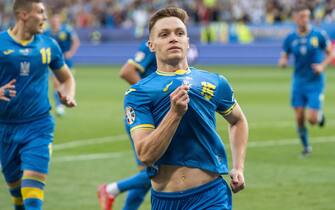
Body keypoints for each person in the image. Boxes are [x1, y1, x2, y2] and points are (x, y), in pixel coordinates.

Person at [124, 7, 248, 209]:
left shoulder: (214, 82)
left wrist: (238, 167)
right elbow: (146, 155)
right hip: (165, 201)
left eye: (180, 33)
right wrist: (174, 114)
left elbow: (238, 121)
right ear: (151, 45)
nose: (174, 38)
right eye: (164, 34)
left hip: (211, 196)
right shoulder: (138, 93)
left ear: (188, 41)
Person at [0, 1, 76, 210]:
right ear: (23, 14)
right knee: (17, 196)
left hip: (39, 126)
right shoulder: (1, 44)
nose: (44, 17)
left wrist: (68, 95)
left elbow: (67, 79)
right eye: (40, 12)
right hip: (4, 128)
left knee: (32, 196)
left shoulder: (48, 45)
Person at [278, 4, 334, 156]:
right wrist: (282, 62)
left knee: (312, 120)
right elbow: (284, 56)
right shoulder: (290, 38)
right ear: (295, 18)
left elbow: (331, 53)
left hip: (315, 82)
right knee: (299, 117)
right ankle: (306, 147)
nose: (305, 19)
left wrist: (322, 66)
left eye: (307, 16)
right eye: (302, 16)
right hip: (299, 82)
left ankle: (319, 115)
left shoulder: (318, 35)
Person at [44, 13, 80, 116]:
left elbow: (76, 41)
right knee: (56, 83)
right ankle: (59, 105)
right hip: (53, 62)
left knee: (65, 83)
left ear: (59, 20)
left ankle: (63, 101)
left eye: (56, 20)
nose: (54, 22)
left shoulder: (67, 30)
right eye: (53, 20)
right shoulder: (47, 32)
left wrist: (71, 52)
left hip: (66, 61)